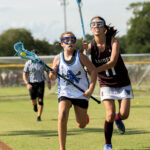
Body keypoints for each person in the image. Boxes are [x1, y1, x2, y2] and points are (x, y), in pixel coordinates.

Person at [82, 16, 133, 150]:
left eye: (99, 24)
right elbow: (86, 68)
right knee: (109, 114)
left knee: (124, 114)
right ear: (91, 29)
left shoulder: (113, 41)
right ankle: (108, 144)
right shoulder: (89, 47)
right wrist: (83, 53)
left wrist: (94, 70)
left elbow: (112, 63)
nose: (96, 26)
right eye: (93, 24)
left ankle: (118, 119)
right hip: (106, 83)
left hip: (122, 82)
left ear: (104, 28)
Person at [49, 31, 97, 150]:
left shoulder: (80, 56)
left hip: (81, 93)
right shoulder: (57, 58)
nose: (70, 42)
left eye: (72, 39)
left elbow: (94, 71)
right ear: (61, 44)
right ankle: (62, 148)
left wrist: (91, 89)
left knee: (81, 124)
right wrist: (52, 72)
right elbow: (52, 78)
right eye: (66, 40)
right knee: (62, 115)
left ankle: (84, 118)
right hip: (65, 92)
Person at [23, 49, 51, 121]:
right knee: (33, 100)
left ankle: (39, 117)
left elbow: (48, 71)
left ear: (38, 55)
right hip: (31, 84)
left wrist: (49, 82)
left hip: (40, 83)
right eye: (33, 54)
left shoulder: (41, 63)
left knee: (40, 100)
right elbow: (24, 74)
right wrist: (27, 83)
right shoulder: (28, 63)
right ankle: (35, 106)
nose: (34, 56)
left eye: (36, 54)